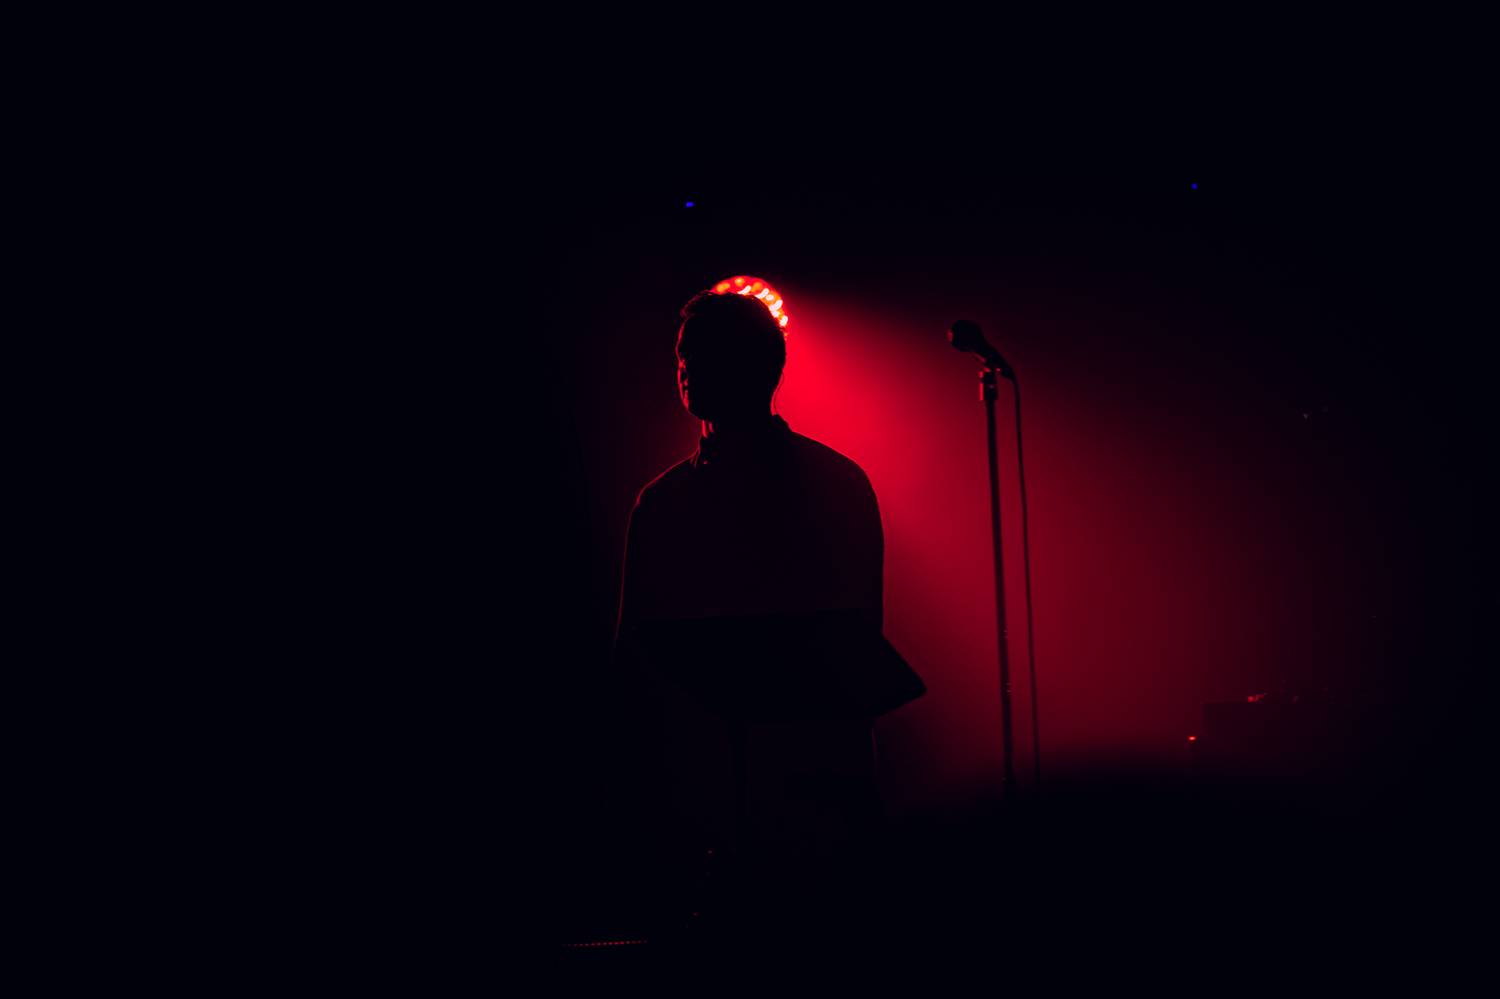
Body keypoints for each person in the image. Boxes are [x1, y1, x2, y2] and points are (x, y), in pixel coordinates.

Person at [613, 288, 922, 936]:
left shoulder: (823, 486)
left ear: (763, 367)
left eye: (703, 354)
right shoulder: (670, 502)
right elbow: (633, 657)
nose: (686, 369)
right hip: (717, 790)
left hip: (805, 787)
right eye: (683, 355)